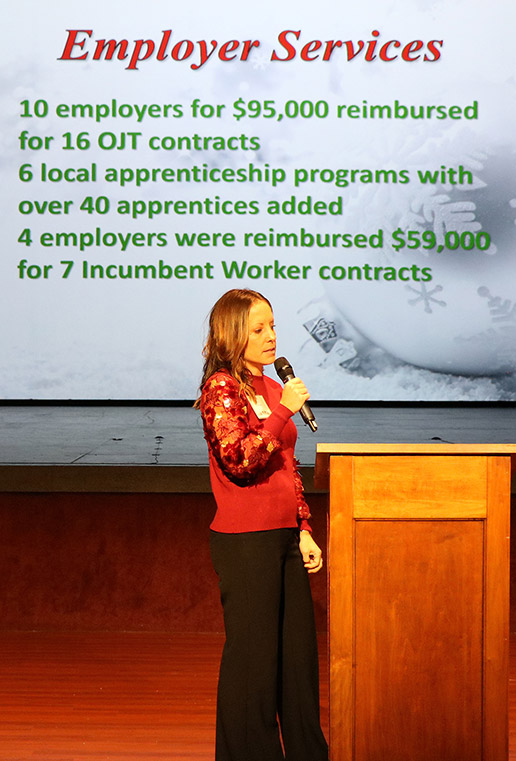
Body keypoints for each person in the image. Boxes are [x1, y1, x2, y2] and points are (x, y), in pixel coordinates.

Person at [197, 288, 329, 761]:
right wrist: (281, 414)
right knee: (253, 664)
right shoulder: (222, 389)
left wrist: (304, 527)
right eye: (258, 329)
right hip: (244, 540)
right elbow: (239, 459)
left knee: (297, 662)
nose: (271, 337)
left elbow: (287, 466)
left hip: (284, 537)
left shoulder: (275, 389)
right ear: (232, 334)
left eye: (272, 326)